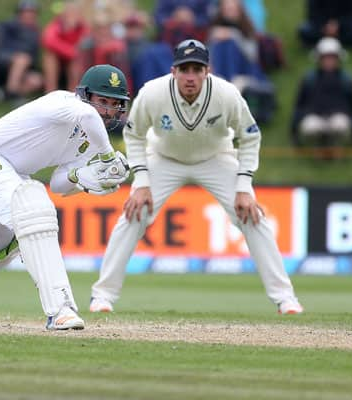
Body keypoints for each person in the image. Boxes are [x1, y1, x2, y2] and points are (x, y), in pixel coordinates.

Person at [89, 40, 303, 315]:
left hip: (216, 157)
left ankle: (285, 298)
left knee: (252, 217)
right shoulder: (153, 93)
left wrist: (244, 186)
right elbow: (134, 134)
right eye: (184, 69)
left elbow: (250, 136)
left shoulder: (226, 94)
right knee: (133, 214)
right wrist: (141, 182)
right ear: (174, 71)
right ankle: (103, 297)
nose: (190, 77)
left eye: (197, 69)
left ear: (207, 71)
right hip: (164, 157)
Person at [0, 64, 131, 330]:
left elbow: (59, 183)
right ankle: (61, 309)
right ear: (85, 95)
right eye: (102, 101)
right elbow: (88, 117)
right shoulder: (62, 102)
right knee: (35, 214)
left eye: (114, 104)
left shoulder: (91, 139)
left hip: (12, 173)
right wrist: (107, 157)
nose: (107, 110)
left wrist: (84, 177)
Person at [291, 37, 352, 154]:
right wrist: (294, 131)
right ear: (319, 59)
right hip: (315, 116)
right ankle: (318, 145)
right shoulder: (309, 79)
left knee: (340, 125)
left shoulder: (346, 80)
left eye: (332, 57)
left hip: (338, 117)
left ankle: (335, 146)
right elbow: (299, 105)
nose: (329, 61)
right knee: (310, 127)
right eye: (326, 57)